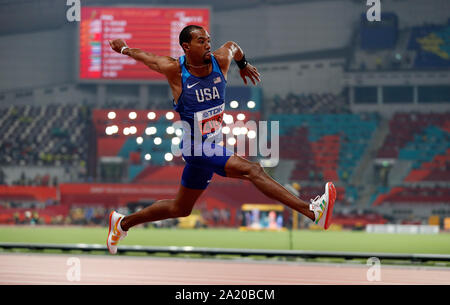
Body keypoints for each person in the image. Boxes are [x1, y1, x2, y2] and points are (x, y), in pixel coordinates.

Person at [106, 25, 336, 254]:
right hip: (195, 147)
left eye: (208, 39)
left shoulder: (220, 60)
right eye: (200, 41)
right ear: (186, 47)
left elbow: (233, 46)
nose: (207, 44)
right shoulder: (175, 70)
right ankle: (313, 211)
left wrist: (243, 64)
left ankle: (122, 223)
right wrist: (125, 49)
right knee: (253, 170)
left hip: (212, 146)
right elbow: (148, 58)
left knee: (181, 208)